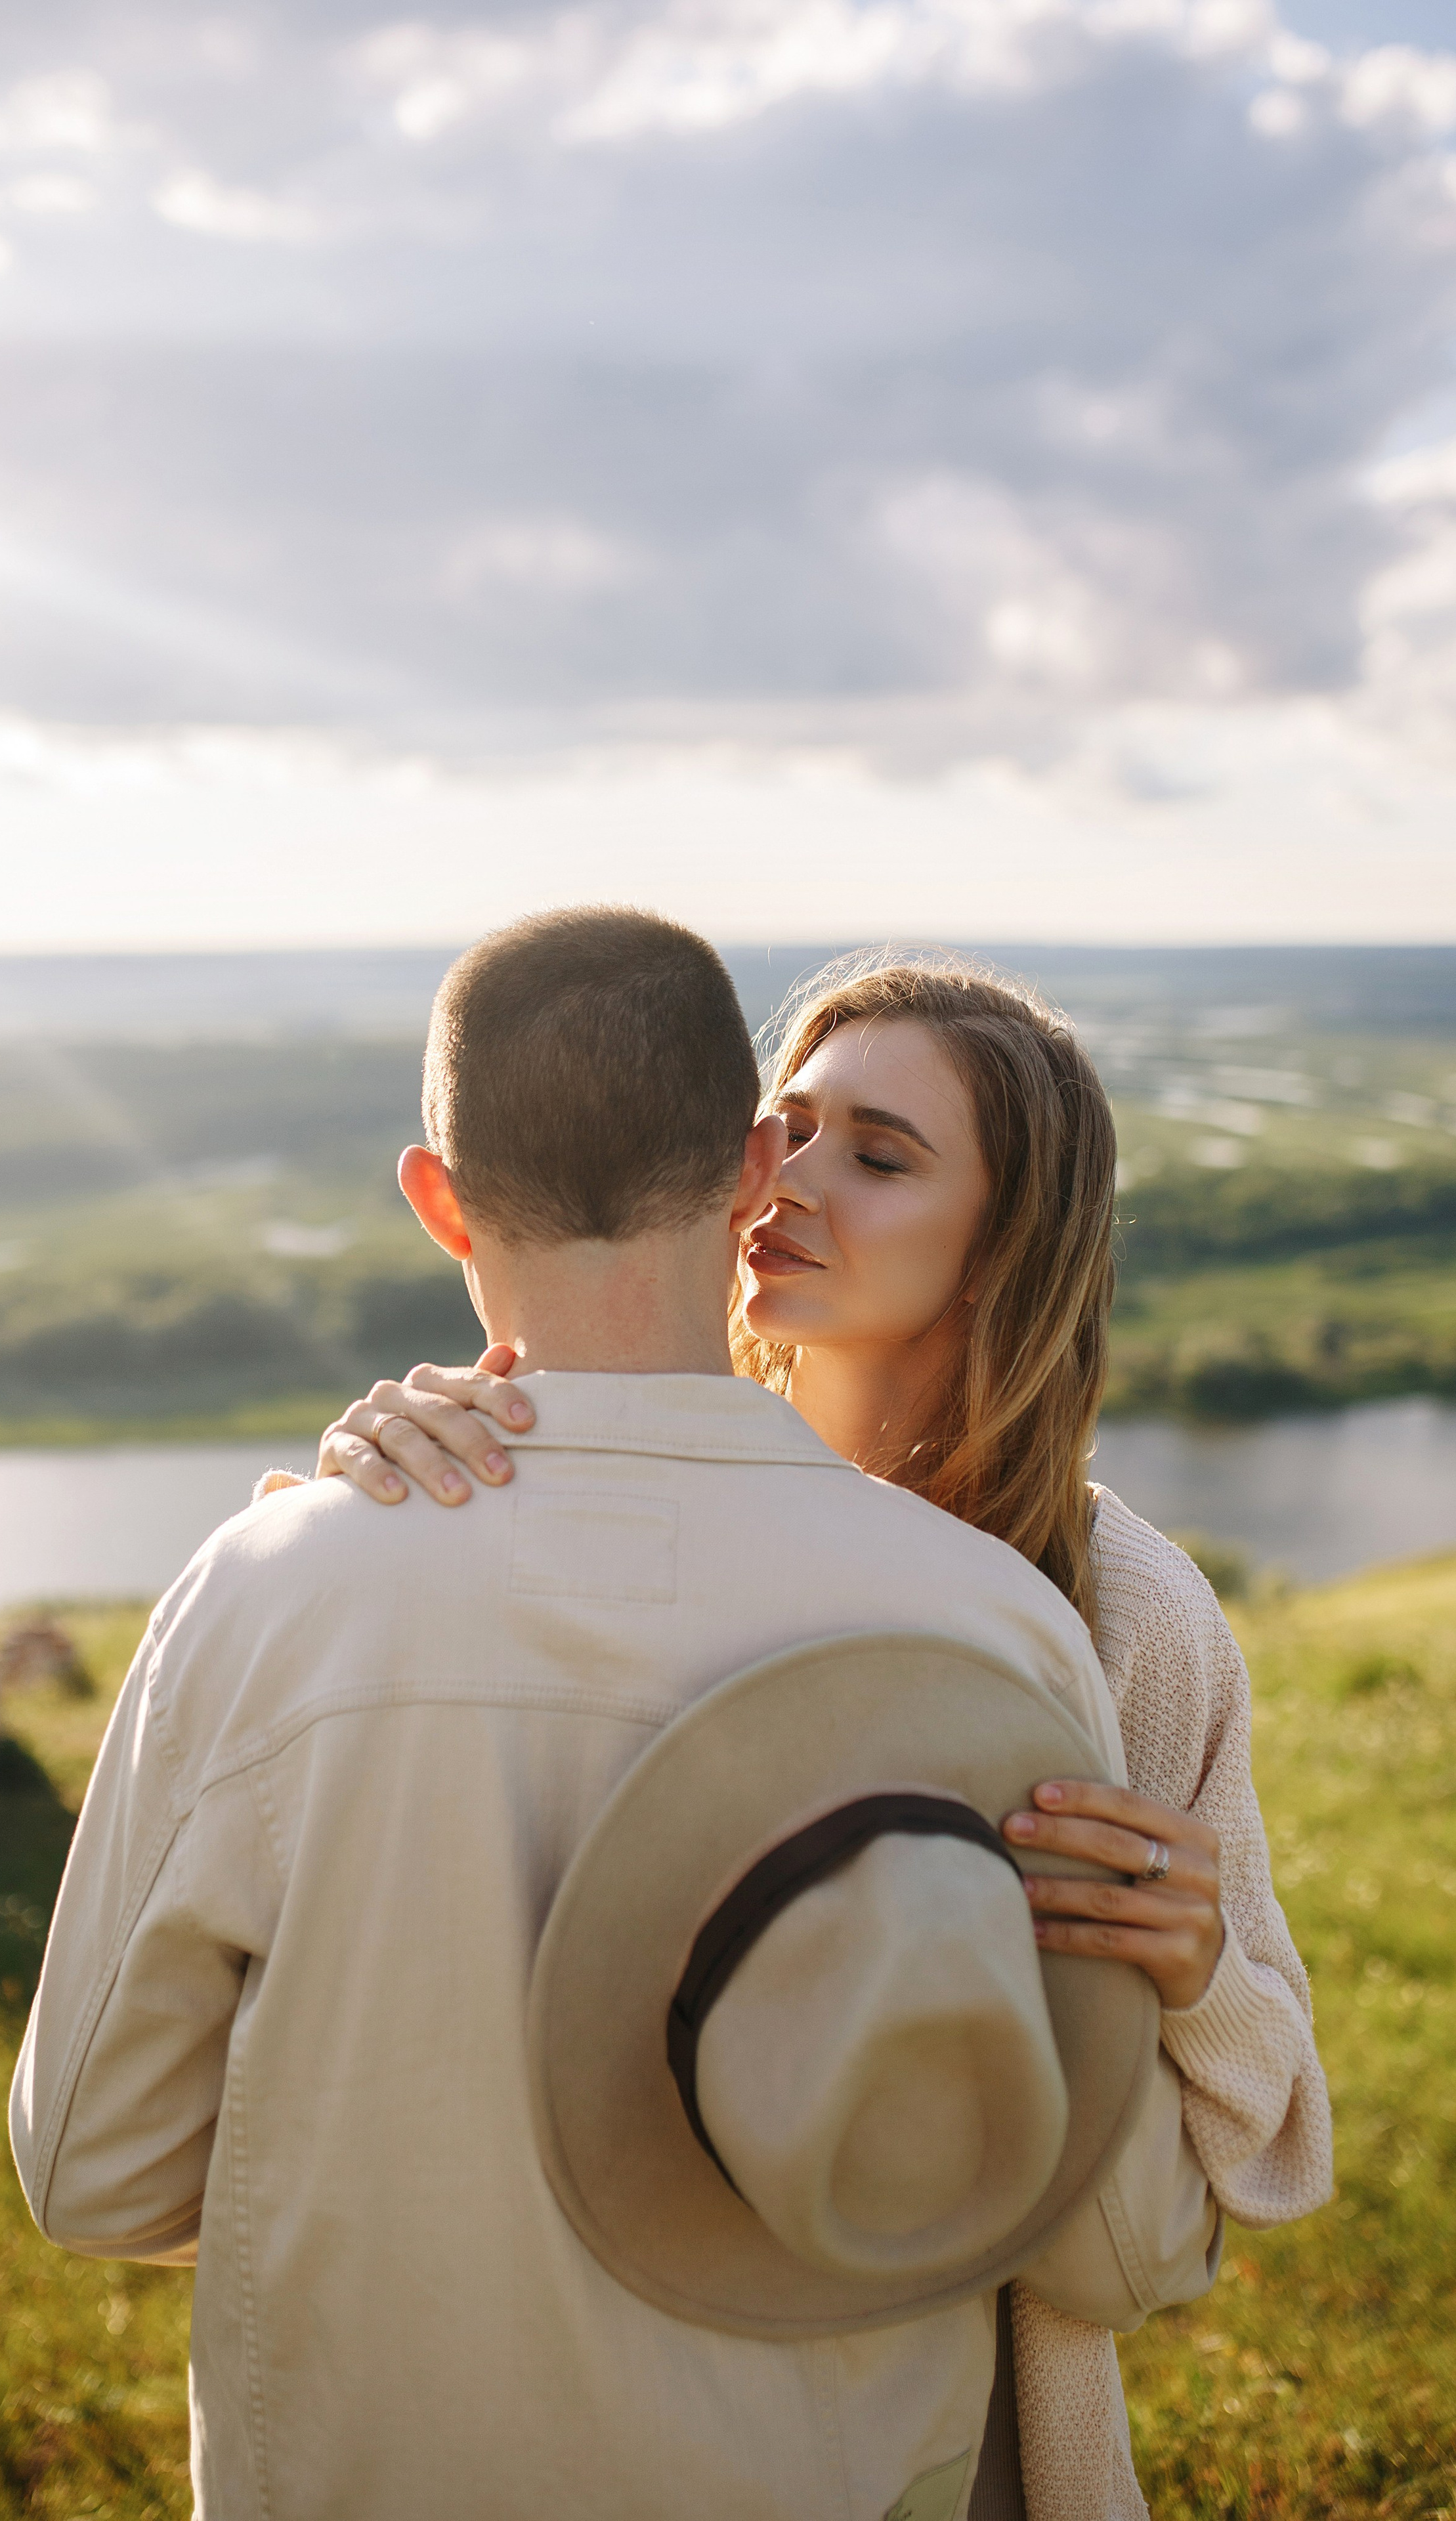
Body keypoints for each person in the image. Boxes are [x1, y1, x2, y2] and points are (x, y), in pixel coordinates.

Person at [10, 911, 1170, 2521]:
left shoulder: (267, 1591)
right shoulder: (998, 1628)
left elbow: (91, 2171)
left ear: (435, 1199)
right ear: (754, 1167)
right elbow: (1085, 2211)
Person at [309, 952, 1333, 2521]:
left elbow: (1249, 2160)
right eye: (782, 1131)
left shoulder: (1123, 1612)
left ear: (1002, 1242)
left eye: (878, 1156)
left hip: (955, 2401)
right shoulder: (632, 1495)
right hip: (599, 2344)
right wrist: (359, 1501)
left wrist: (1200, 1977)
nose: (788, 1182)